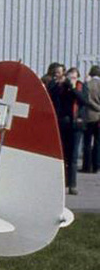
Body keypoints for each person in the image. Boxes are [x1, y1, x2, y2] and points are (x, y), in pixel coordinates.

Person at [47, 63, 89, 195]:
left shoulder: (81, 86)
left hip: (76, 124)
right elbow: (52, 97)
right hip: (63, 123)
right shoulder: (60, 87)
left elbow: (83, 101)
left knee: (74, 156)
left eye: (75, 77)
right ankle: (62, 184)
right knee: (63, 155)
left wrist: (73, 87)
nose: (72, 79)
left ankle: (72, 184)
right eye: (70, 77)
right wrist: (60, 84)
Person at [82, 65, 100, 174]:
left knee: (87, 142)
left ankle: (87, 166)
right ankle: (96, 166)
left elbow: (86, 99)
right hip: (99, 117)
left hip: (89, 115)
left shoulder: (88, 84)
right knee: (98, 142)